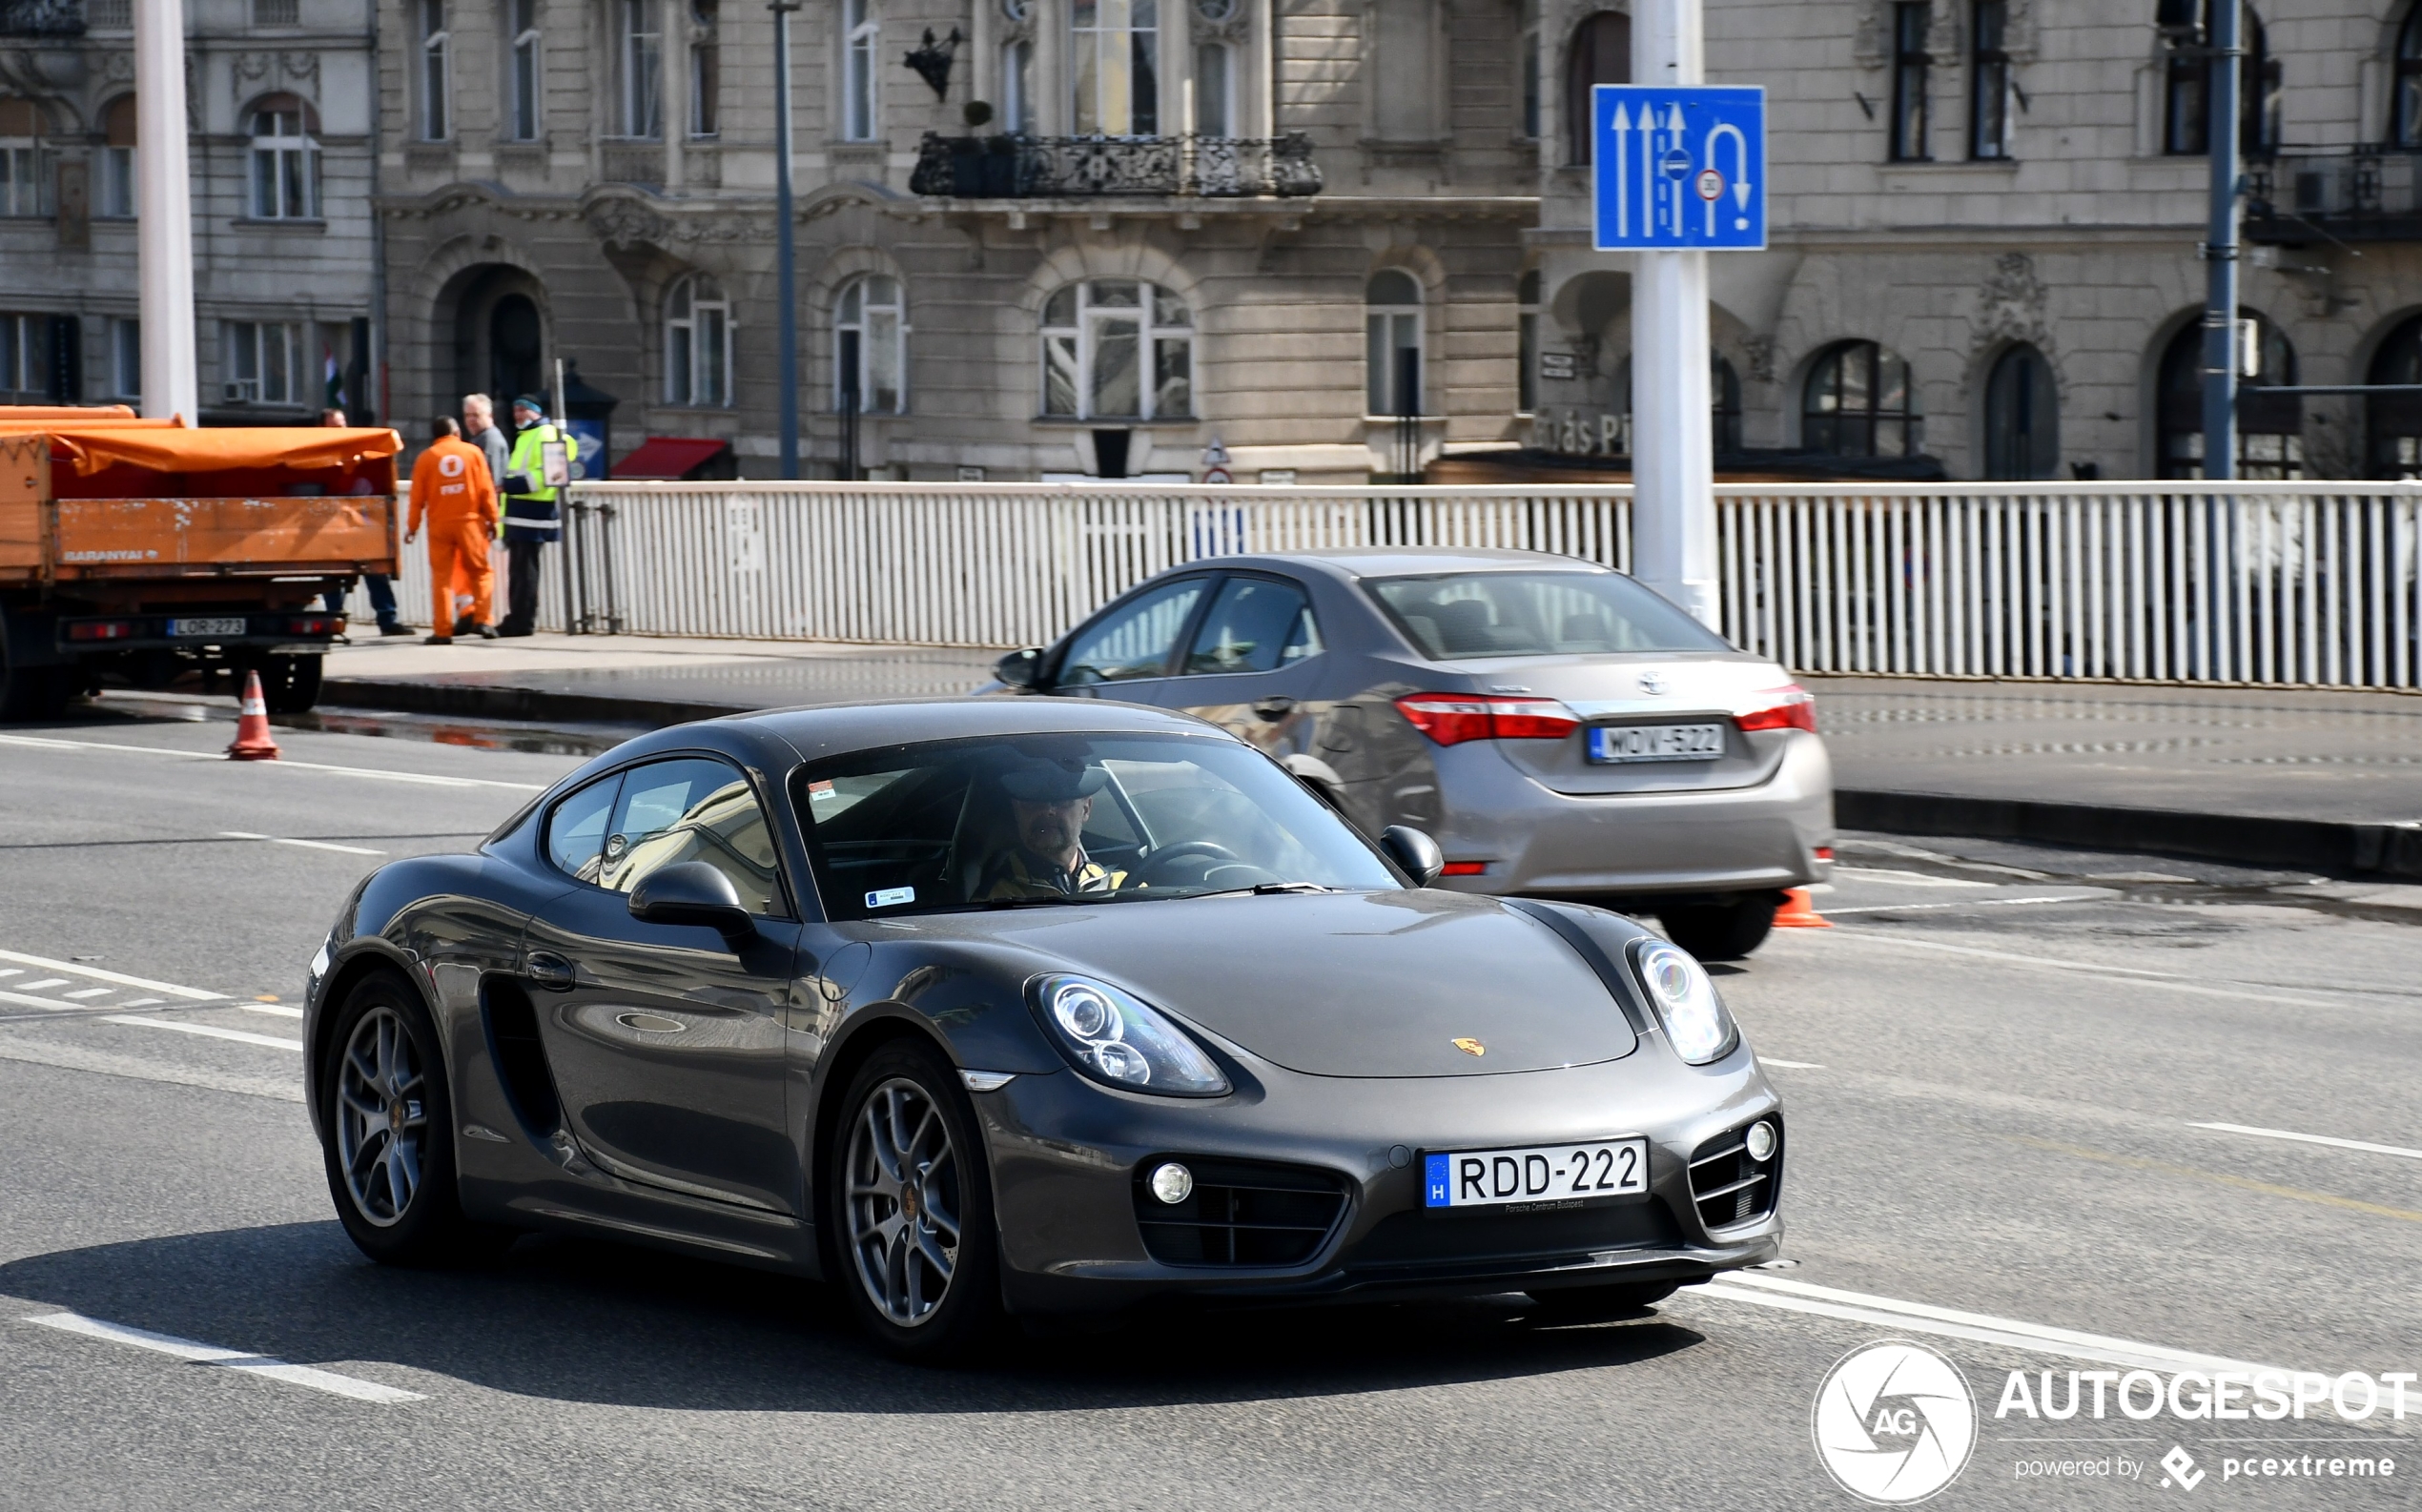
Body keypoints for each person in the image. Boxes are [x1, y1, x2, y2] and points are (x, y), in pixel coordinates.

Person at [404, 417, 500, 644]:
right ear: (456, 431)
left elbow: (417, 499)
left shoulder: (426, 458)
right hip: (469, 522)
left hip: (439, 524)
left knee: (442, 578)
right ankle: (483, 621)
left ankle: (443, 631)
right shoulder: (473, 452)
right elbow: (486, 489)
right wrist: (493, 519)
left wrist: (412, 527)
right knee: (480, 572)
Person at [977, 758, 1129, 898]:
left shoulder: (1121, 885)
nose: (1047, 811)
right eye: (1033, 802)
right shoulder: (993, 900)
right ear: (1016, 811)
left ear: (1086, 809)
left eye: (1061, 800)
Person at [318, 407, 411, 636]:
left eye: (342, 424)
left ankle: (388, 619)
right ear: (323, 429)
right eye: (335, 426)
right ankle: (333, 620)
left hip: (362, 525)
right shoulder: (318, 455)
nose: (341, 429)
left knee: (376, 572)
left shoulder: (358, 449)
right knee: (332, 576)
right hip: (333, 528)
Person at [496, 394, 564, 638]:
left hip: (532, 514)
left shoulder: (544, 434)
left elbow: (552, 474)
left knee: (524, 573)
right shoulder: (528, 435)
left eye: (523, 409)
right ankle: (516, 618)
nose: (518, 415)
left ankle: (521, 622)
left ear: (536, 411)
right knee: (519, 572)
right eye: (515, 410)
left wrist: (509, 485)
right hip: (522, 514)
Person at [461, 393, 511, 492]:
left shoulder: (490, 439)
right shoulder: (480, 437)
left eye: (476, 415)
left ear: (489, 416)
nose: (470, 420)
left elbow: (491, 482)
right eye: (467, 415)